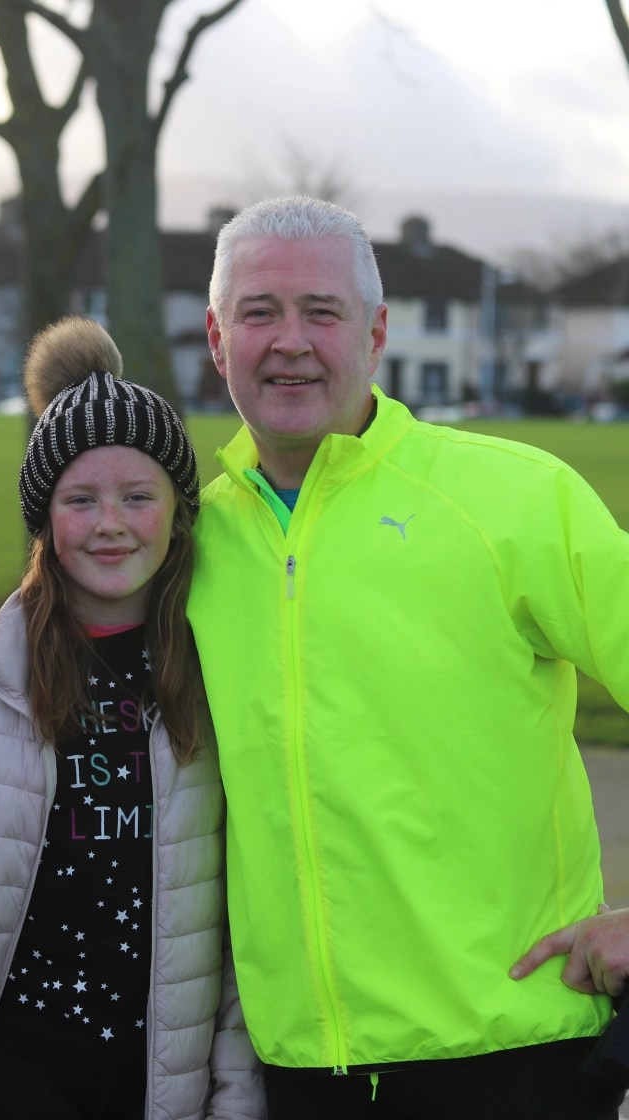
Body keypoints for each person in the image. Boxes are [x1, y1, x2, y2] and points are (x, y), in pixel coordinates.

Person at [186, 194, 629, 1119]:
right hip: (300, 1075)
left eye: (322, 312)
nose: (291, 342)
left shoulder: (513, 499)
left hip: (513, 1060)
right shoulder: (190, 544)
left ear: (377, 333)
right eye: (260, 313)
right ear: (219, 340)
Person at [0, 316, 263, 1120]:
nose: (110, 524)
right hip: (9, 1084)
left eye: (138, 497)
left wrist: (233, 1099)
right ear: (44, 519)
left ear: (178, 513)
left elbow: (249, 928)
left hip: (157, 1088)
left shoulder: (227, 679)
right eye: (80, 500)